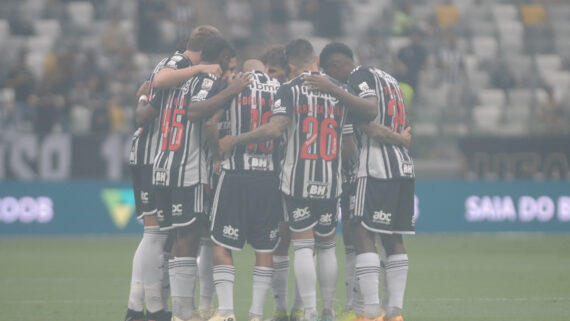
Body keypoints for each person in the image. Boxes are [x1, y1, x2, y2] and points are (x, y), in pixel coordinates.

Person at [219, 39, 377, 321]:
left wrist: (236, 140)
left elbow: (275, 128)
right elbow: (349, 147)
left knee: (303, 246)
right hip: (330, 181)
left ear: (290, 66)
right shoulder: (340, 90)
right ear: (315, 59)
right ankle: (328, 310)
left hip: (298, 180)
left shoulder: (288, 90)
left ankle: (311, 312)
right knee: (327, 246)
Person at [125, 25, 223, 321]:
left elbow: (148, 96)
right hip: (153, 155)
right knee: (155, 234)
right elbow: (144, 113)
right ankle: (144, 309)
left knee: (162, 236)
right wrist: (201, 69)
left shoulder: (179, 69)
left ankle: (147, 308)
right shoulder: (180, 64)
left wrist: (143, 97)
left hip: (160, 157)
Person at [149, 35, 251, 321]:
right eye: (228, 65)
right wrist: (232, 90)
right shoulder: (207, 80)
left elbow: (152, 99)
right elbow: (196, 112)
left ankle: (166, 307)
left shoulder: (177, 80)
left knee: (174, 239)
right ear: (218, 60)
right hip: (187, 167)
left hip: (163, 164)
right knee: (188, 238)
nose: (229, 71)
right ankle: (182, 313)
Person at [310, 42, 414, 321]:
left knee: (361, 233)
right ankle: (395, 312)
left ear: (334, 68)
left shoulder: (358, 77)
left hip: (374, 166)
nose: (334, 81)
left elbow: (369, 113)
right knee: (393, 238)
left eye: (330, 75)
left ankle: (370, 312)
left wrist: (333, 89)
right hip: (402, 165)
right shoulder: (389, 79)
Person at [203, 59, 282, 321]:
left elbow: (211, 124)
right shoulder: (279, 87)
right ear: (264, 69)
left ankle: (226, 312)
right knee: (265, 248)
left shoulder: (234, 84)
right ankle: (256, 314)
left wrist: (217, 153)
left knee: (222, 244)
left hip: (236, 173)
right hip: (270, 177)